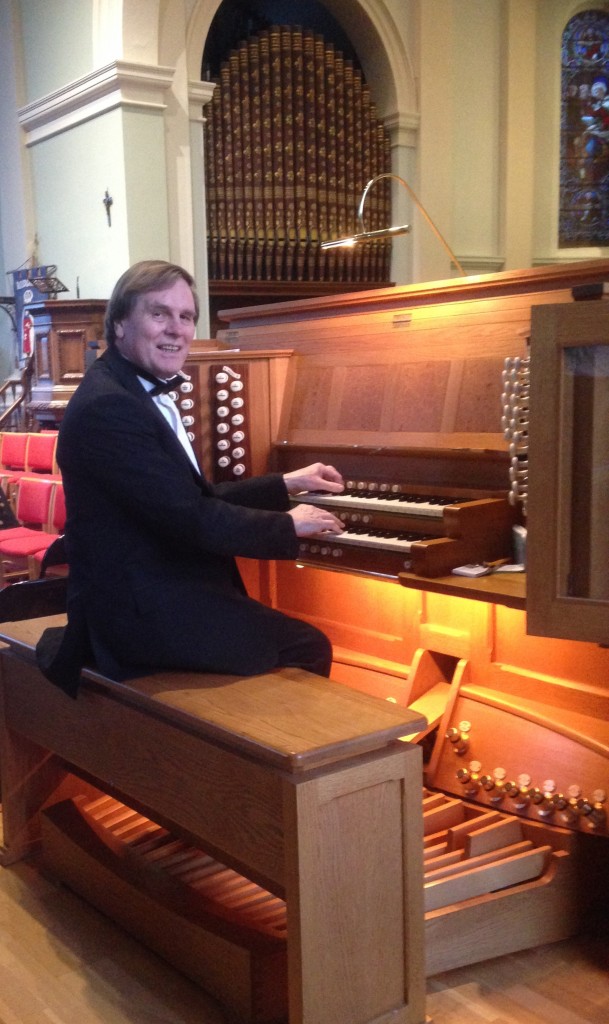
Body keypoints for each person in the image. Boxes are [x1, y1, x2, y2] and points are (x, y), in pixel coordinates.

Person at [36, 259, 345, 697]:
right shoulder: (111, 407)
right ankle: (263, 758)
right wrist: (287, 524)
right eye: (159, 313)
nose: (176, 329)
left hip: (153, 587)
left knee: (272, 628)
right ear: (120, 323)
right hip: (136, 613)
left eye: (186, 317)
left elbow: (182, 499)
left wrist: (285, 484)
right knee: (308, 645)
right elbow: (192, 518)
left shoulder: (127, 388)